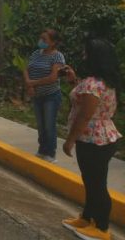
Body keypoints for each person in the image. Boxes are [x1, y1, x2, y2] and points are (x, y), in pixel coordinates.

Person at [60, 39, 121, 239]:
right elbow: (87, 97)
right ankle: (87, 218)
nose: (83, 56)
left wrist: (70, 140)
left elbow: (84, 116)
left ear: (94, 58)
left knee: (96, 184)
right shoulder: (101, 81)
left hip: (94, 140)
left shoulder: (93, 84)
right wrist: (73, 80)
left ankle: (101, 228)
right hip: (102, 137)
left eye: (86, 53)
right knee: (91, 181)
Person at [23, 29, 65, 162]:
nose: (41, 41)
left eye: (45, 39)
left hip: (50, 95)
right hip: (37, 96)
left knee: (49, 125)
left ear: (53, 43)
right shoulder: (36, 53)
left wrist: (34, 83)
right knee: (40, 125)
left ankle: (50, 153)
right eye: (41, 38)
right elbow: (26, 69)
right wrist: (29, 85)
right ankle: (42, 149)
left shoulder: (57, 57)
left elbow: (53, 77)